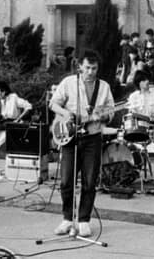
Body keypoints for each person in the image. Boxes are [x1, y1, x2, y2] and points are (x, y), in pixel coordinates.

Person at [49, 50, 115, 238]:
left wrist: (105, 116)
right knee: (66, 180)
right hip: (70, 137)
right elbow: (53, 104)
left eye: (94, 68)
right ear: (80, 67)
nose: (91, 72)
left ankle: (84, 220)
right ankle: (68, 219)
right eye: (87, 68)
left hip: (92, 137)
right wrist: (67, 114)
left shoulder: (104, 87)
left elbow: (111, 112)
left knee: (89, 181)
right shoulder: (69, 83)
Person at [126, 69, 154, 181]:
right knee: (125, 140)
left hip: (152, 128)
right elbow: (131, 115)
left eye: (147, 79)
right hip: (137, 129)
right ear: (138, 83)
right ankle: (128, 172)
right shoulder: (133, 97)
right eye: (144, 80)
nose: (147, 82)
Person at [0, 80, 32, 156]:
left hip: (11, 123)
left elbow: (28, 106)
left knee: (5, 154)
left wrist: (19, 118)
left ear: (6, 90)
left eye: (2, 90)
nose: (0, 93)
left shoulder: (13, 98)